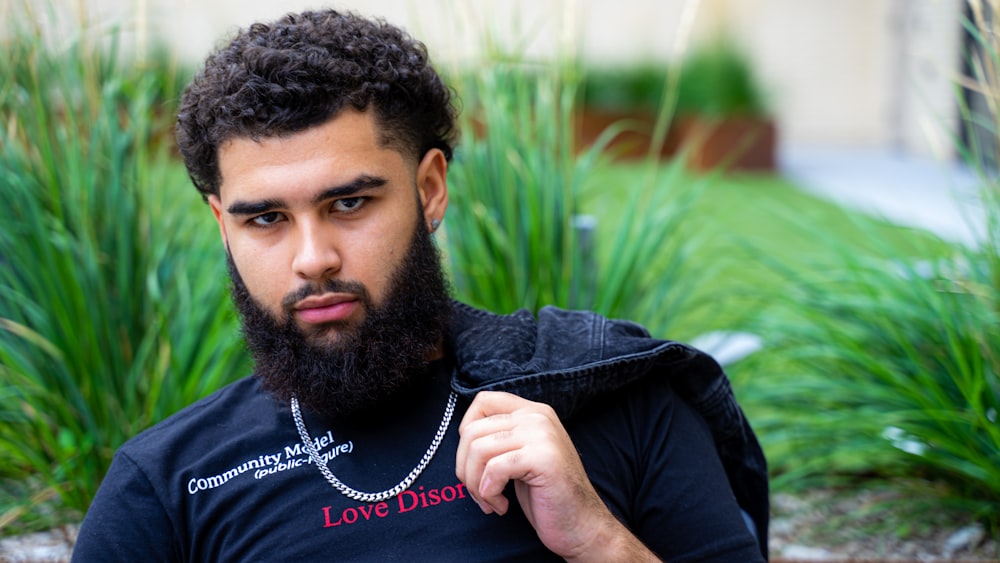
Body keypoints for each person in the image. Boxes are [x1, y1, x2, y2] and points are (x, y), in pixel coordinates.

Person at [72, 8, 768, 561]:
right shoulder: (168, 487)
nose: (313, 258)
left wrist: (596, 539)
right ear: (223, 225)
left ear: (429, 188)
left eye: (349, 204)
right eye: (267, 219)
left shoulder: (616, 402)